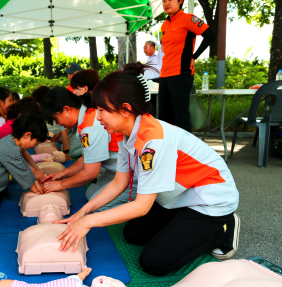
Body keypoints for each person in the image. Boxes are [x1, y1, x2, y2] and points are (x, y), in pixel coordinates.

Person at [54, 64, 240, 276]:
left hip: (210, 200)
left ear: (125, 109)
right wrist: (83, 213)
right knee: (133, 234)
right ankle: (184, 224)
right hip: (179, 196)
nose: (98, 117)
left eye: (103, 111)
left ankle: (219, 232)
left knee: (154, 262)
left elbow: (141, 207)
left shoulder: (154, 141)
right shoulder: (125, 133)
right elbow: (119, 182)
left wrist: (88, 222)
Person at [40, 87, 128, 212]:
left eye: (56, 119)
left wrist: (60, 184)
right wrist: (63, 174)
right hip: (118, 169)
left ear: (67, 109)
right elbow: (86, 158)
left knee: (96, 205)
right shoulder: (86, 117)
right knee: (90, 194)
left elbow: (91, 173)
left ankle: (137, 201)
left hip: (131, 173)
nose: (58, 123)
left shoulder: (91, 126)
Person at [159, 0, 215, 132]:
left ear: (180, 1)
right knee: (164, 117)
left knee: (180, 117)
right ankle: (169, 150)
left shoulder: (188, 19)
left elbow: (210, 35)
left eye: (170, 0)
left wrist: (194, 56)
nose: (166, 3)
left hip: (181, 74)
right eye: (164, 1)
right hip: (164, 75)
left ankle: (185, 151)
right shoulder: (164, 25)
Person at [0, 97, 46, 179]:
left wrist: (38, 170)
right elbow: (15, 158)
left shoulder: (15, 127)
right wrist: (34, 172)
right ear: (21, 116)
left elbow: (23, 151)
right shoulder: (10, 129)